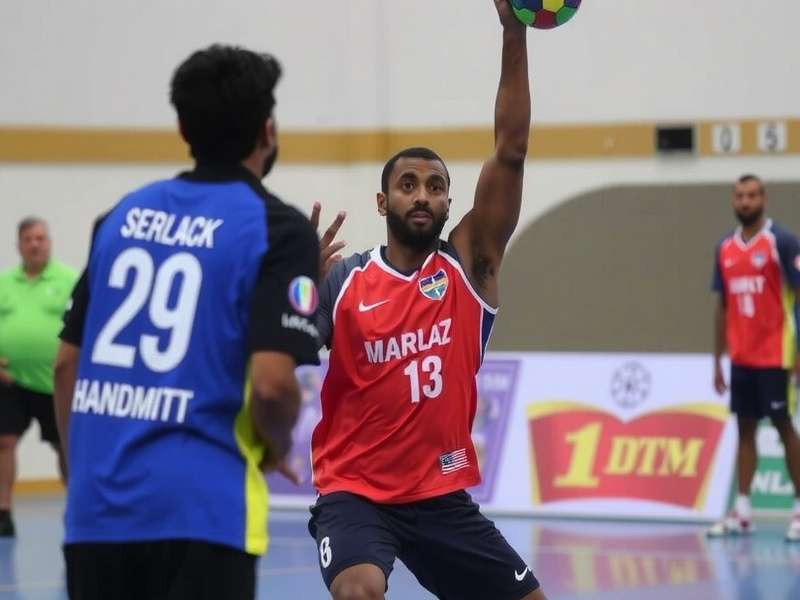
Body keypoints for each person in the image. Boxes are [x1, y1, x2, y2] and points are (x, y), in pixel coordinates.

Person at [52, 44, 320, 599]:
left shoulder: (119, 216)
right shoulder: (279, 228)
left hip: (97, 513)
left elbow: (66, 365)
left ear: (181, 126)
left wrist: (82, 476)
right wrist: (276, 443)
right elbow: (272, 386)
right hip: (205, 511)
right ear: (267, 130)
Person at [307, 2, 546, 598]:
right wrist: (300, 290)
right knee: (359, 589)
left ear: (448, 201)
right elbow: (283, 351)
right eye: (407, 185)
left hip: (440, 497)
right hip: (354, 492)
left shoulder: (469, 264)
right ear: (382, 202)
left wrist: (513, 31)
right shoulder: (345, 282)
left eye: (435, 186)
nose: (422, 195)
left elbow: (510, 149)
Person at [707, 174, 800, 542]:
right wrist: (718, 360)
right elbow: (721, 306)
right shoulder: (725, 248)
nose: (745, 201)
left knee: (783, 427)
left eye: (752, 195)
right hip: (742, 356)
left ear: (763, 199)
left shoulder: (782, 242)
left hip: (776, 354)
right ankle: (742, 510)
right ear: (733, 200)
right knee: (744, 430)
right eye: (740, 195)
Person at [0, 218, 76, 536]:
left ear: (50, 243)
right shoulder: (5, 283)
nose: (35, 244)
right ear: (19, 245)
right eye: (29, 239)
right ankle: (3, 511)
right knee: (4, 442)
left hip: (54, 381)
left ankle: (77, 507)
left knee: (65, 446)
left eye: (41, 238)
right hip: (10, 380)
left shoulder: (68, 280)